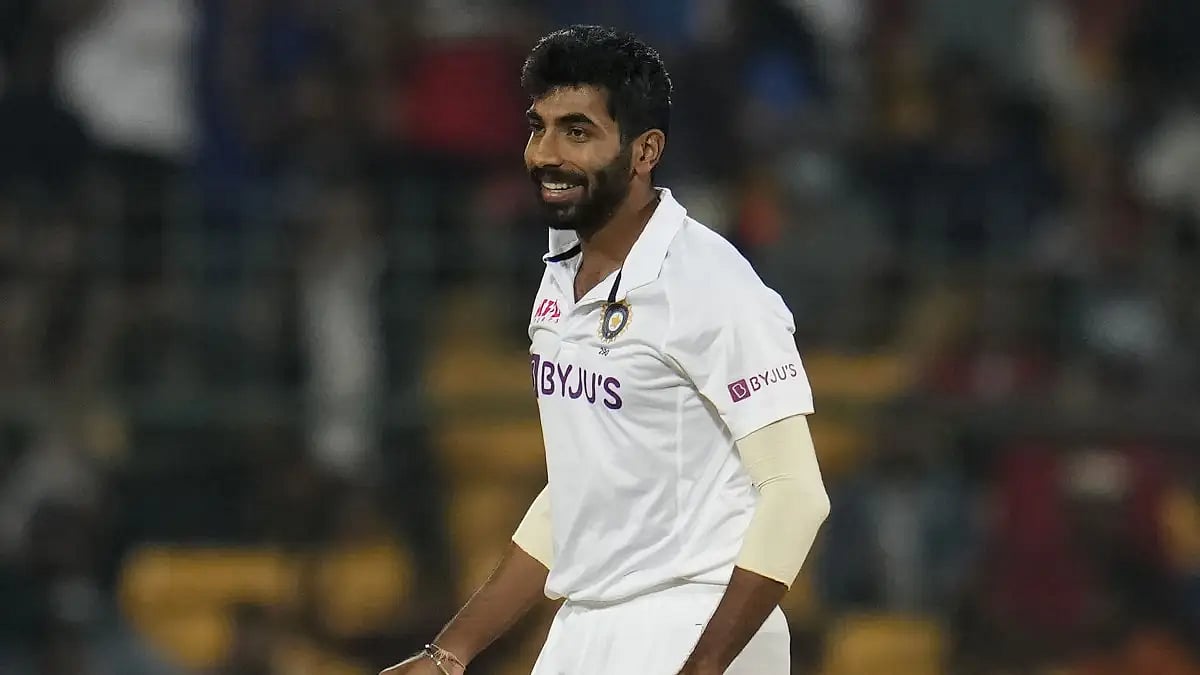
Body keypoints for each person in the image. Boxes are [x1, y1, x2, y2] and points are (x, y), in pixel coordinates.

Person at [382, 25, 830, 675]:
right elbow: (579, 492)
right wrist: (451, 650)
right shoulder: (559, 274)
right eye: (539, 127)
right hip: (585, 624)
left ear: (645, 150)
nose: (546, 153)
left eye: (578, 131)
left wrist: (701, 668)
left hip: (695, 618)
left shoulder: (710, 285)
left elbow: (796, 493)